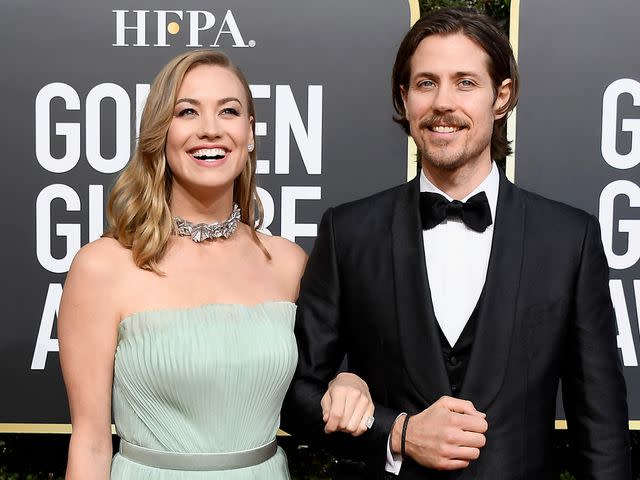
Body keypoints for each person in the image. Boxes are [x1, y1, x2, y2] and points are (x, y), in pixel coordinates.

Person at [283, 8, 631, 479]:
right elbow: (297, 395)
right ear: (405, 99)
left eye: (465, 82)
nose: (443, 102)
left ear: (501, 96)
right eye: (426, 83)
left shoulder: (571, 239)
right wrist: (396, 430)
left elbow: (601, 429)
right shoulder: (349, 231)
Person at [58, 49, 371, 479]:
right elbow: (91, 444)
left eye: (229, 111)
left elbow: (318, 385)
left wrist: (349, 381)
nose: (210, 130)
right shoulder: (103, 268)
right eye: (187, 111)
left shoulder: (288, 263)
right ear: (160, 132)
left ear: (250, 133)